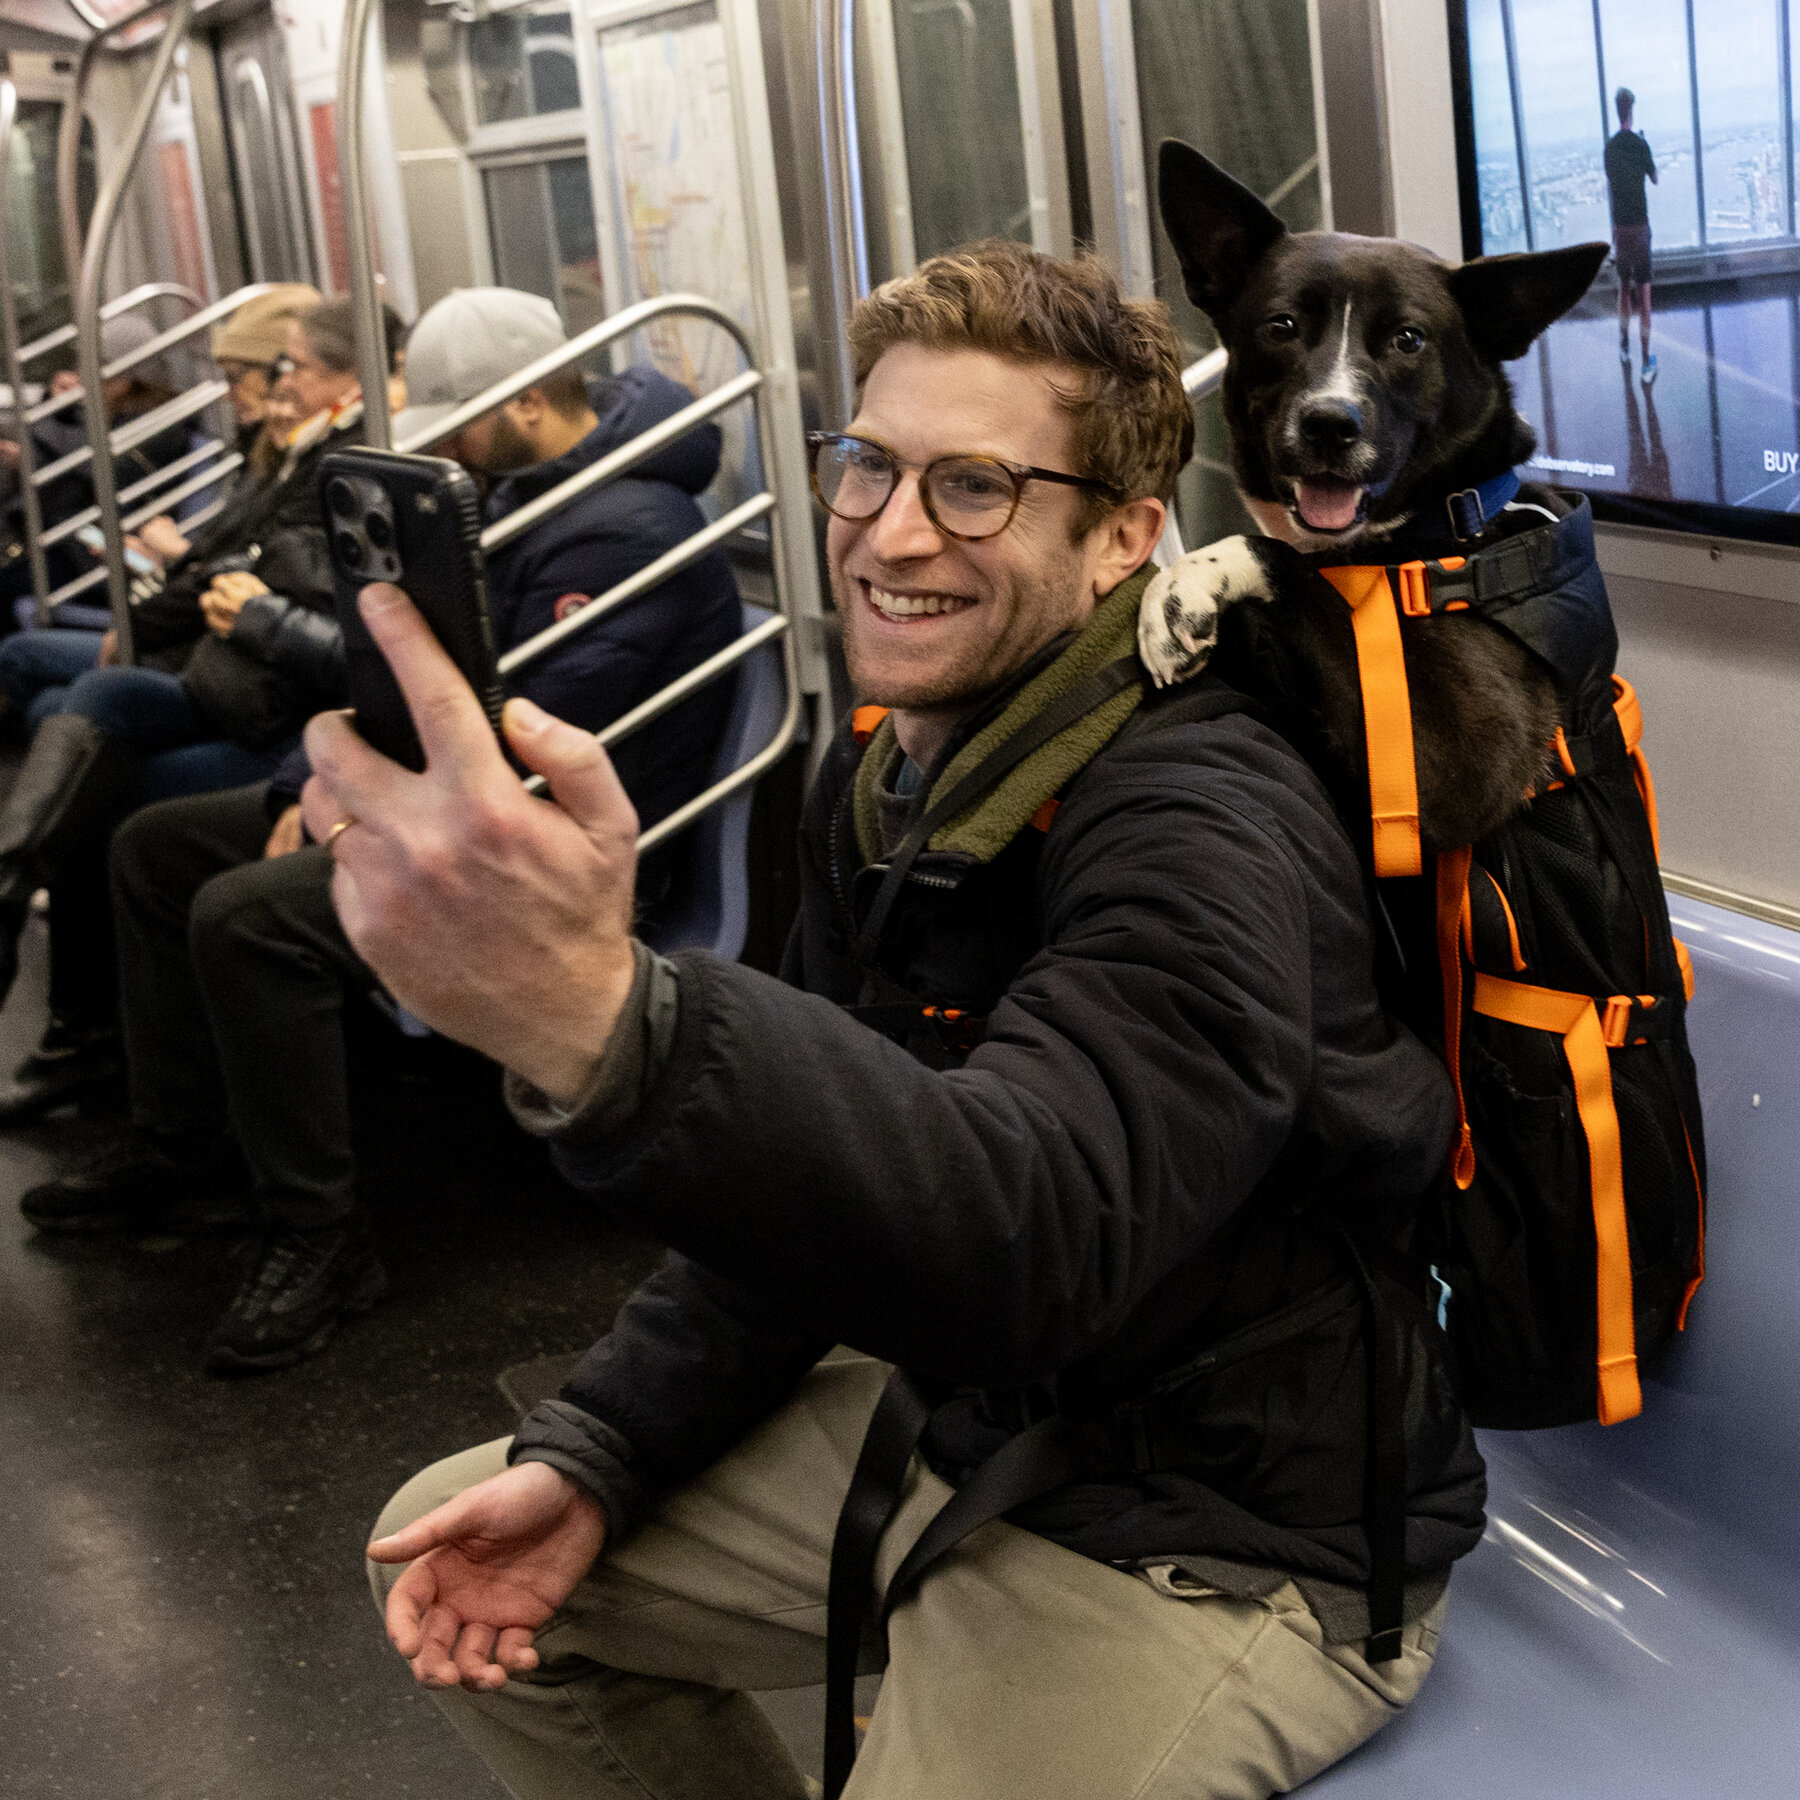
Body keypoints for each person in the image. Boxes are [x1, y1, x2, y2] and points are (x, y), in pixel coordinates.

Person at [316, 243, 1485, 1798]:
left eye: (977, 489)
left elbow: (1037, 1233)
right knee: (454, 1549)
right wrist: (605, 1446)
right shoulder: (885, 780)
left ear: (1127, 538)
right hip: (993, 1419)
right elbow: (816, 1202)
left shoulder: (1202, 814)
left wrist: (602, 1020)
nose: (889, 530)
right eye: (866, 464)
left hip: (1231, 1523)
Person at [21, 287, 741, 1378]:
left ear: (539, 401)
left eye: (465, 414)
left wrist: (348, 816)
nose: (449, 441)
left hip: (542, 849)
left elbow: (525, 733)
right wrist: (293, 794)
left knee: (248, 919)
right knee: (156, 850)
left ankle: (319, 1236)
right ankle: (184, 1146)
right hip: (459, 803)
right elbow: (423, 693)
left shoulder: (629, 525)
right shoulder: (524, 497)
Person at [0, 294, 402, 1121]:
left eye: (286, 367)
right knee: (83, 704)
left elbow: (312, 614)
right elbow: (235, 560)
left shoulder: (355, 467)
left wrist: (242, 608)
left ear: (343, 375)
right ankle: (61, 982)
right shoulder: (292, 453)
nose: (273, 386)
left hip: (289, 714)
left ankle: (88, 1030)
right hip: (242, 679)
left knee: (103, 780)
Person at [0, 284, 321, 738]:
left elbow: (236, 572)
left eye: (236, 378)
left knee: (47, 678)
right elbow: (222, 561)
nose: (228, 397)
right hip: (197, 638)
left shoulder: (166, 428)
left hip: (220, 662)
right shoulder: (267, 459)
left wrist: (143, 617)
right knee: (52, 705)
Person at [0, 312, 194, 612]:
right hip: (80, 543)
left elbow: (103, 474)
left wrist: (40, 446)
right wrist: (57, 408)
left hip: (110, 558)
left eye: (93, 364)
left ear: (125, 377)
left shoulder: (161, 428)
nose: (80, 372)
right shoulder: (107, 415)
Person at [1605, 86, 1658, 384]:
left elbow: (1613, 184)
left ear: (1616, 110)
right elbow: (1654, 178)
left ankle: (1624, 346)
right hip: (1640, 227)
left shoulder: (1610, 148)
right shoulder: (1640, 144)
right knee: (1645, 298)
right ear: (1632, 110)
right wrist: (1645, 149)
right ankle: (1646, 362)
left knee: (1624, 289)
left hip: (1620, 229)